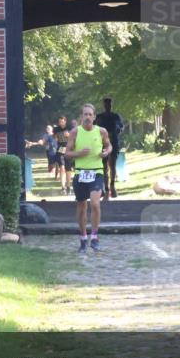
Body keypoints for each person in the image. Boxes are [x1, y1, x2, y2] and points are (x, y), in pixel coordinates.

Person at [65, 104, 112, 253]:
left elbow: (109, 146)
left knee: (95, 203)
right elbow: (67, 153)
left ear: (94, 117)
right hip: (80, 173)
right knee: (81, 207)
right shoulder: (75, 132)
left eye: (90, 114)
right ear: (81, 116)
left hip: (96, 172)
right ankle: (83, 238)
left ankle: (95, 237)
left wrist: (106, 152)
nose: (87, 117)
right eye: (85, 114)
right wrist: (79, 153)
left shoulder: (101, 131)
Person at [94, 97, 125, 199]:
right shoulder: (99, 117)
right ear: (104, 105)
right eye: (107, 104)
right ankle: (106, 189)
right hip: (102, 143)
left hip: (113, 143)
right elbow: (93, 129)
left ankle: (112, 186)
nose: (108, 106)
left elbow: (121, 127)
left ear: (112, 105)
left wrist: (118, 130)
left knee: (112, 165)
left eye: (110, 104)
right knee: (104, 167)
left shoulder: (115, 116)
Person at [52, 116, 72, 192]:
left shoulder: (70, 128)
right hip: (60, 150)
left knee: (68, 169)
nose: (61, 123)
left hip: (69, 149)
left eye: (62, 121)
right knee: (62, 168)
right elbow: (54, 138)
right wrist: (54, 137)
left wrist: (69, 135)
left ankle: (68, 186)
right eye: (59, 122)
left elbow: (75, 138)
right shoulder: (56, 129)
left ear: (65, 121)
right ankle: (63, 187)